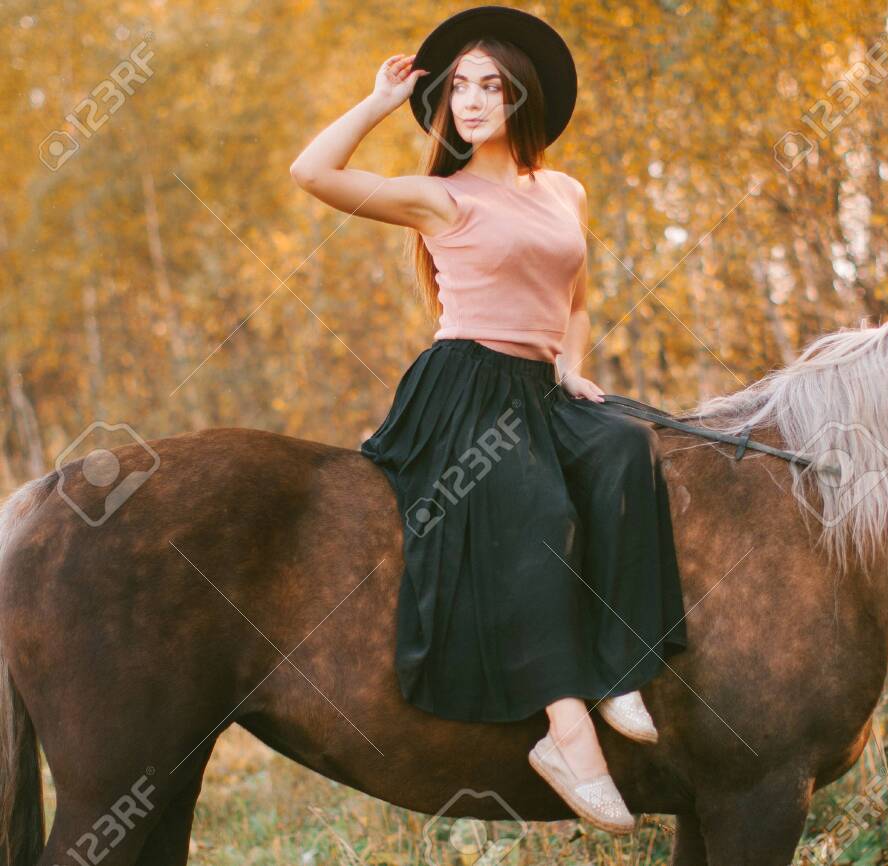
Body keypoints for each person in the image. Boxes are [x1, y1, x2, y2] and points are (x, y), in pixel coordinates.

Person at [288, 5, 688, 835]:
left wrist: (572, 364)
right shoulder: (440, 198)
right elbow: (312, 173)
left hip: (541, 386)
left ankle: (618, 669)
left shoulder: (563, 190)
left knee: (626, 444)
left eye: (490, 86)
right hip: (464, 388)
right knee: (535, 508)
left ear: (521, 97)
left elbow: (576, 297)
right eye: (459, 87)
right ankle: (566, 735)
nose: (470, 101)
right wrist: (374, 103)